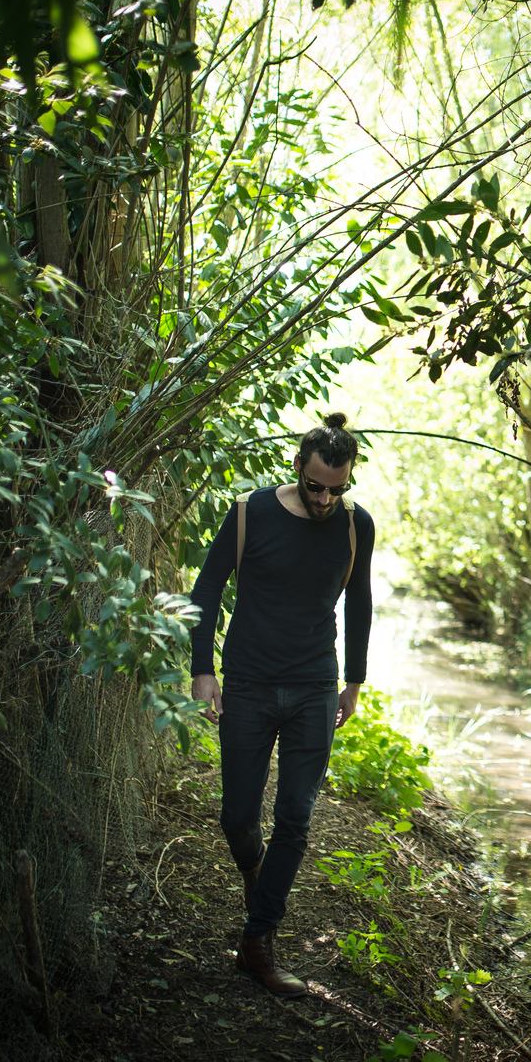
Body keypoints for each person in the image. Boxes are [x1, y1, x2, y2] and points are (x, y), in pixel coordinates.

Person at [187, 413, 375, 998]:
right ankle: (256, 872)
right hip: (248, 683)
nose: (325, 498)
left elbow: (361, 600)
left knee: (296, 815)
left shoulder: (354, 526)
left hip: (315, 686)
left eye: (337, 489)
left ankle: (258, 940)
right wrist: (202, 670)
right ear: (298, 468)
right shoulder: (250, 513)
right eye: (316, 485)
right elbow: (207, 587)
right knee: (236, 818)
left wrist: (354, 682)